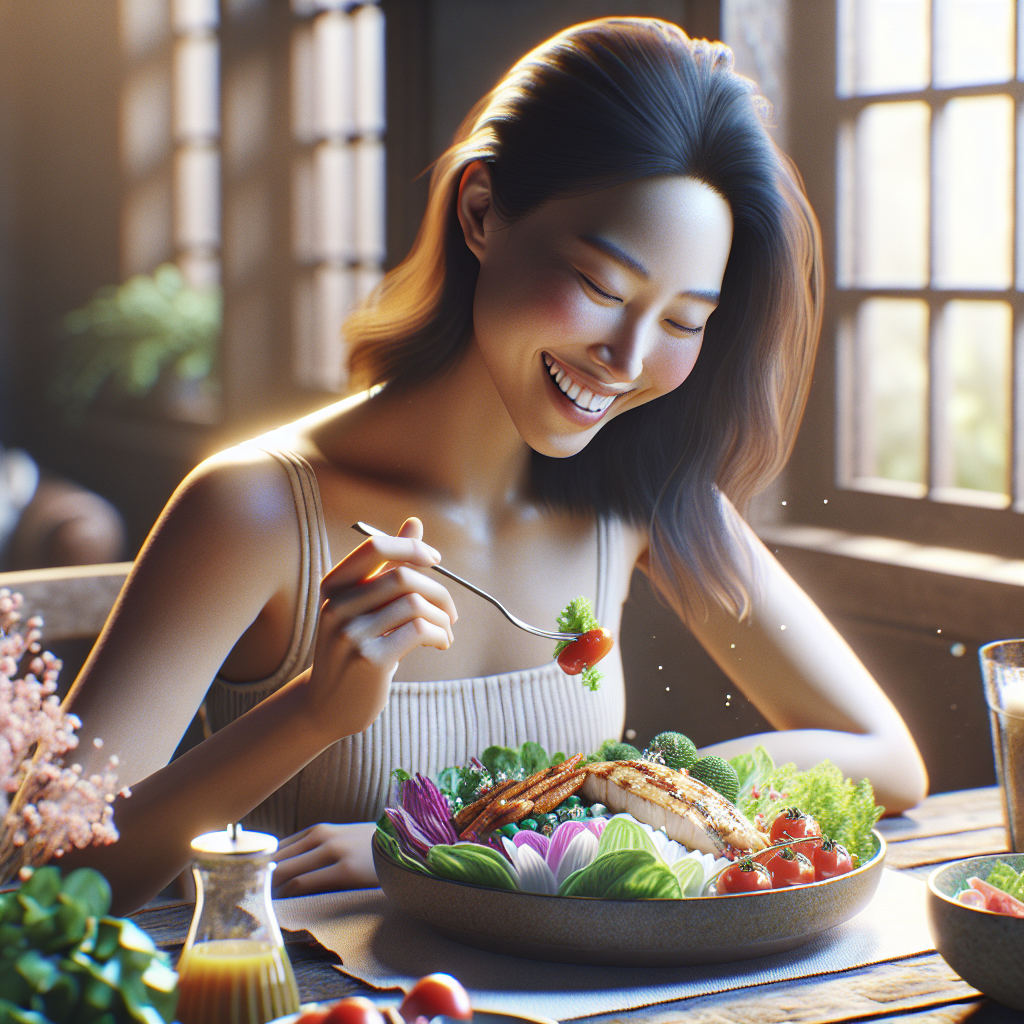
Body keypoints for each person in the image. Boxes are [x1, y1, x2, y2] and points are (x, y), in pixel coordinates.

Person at [60, 17, 927, 913]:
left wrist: (494, 825)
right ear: (481, 212)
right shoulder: (256, 509)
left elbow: (884, 756)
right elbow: (47, 877)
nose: (625, 359)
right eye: (601, 286)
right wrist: (315, 712)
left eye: (681, 322)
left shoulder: (637, 494)